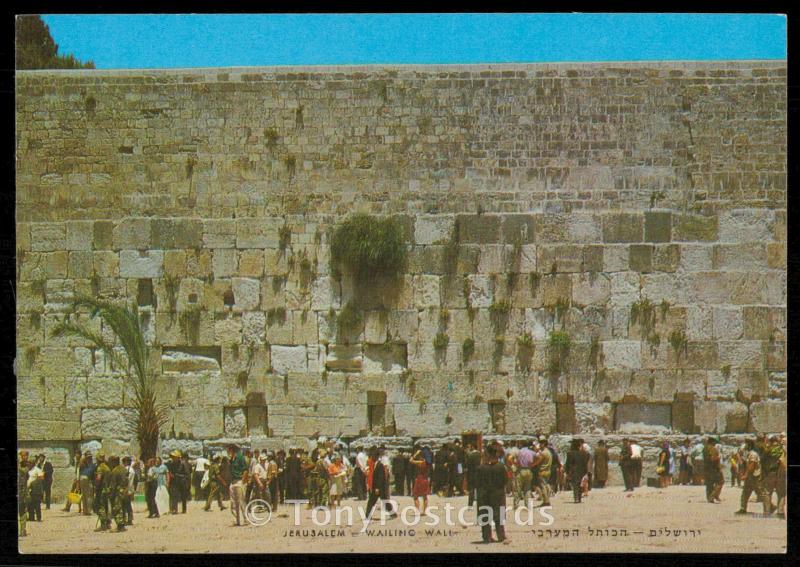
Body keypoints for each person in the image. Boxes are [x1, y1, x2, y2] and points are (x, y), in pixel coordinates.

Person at [476, 445, 507, 543]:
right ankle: (501, 536)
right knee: (499, 516)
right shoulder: (501, 467)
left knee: (485, 515)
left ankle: (486, 537)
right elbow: (505, 480)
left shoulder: (480, 468)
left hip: (484, 495)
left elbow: (476, 482)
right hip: (498, 494)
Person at [736, 438, 771, 516]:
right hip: (751, 476)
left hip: (755, 476)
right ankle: (743, 508)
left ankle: (767, 510)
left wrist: (746, 475)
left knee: (761, 493)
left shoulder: (753, 454)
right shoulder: (748, 453)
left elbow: (752, 465)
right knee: (745, 492)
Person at [365, 447, 394, 519]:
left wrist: (377, 488)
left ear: (377, 456)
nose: (372, 457)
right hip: (376, 487)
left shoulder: (380, 465)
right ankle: (393, 514)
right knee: (378, 501)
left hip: (379, 487)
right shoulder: (375, 465)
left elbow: (380, 478)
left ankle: (368, 515)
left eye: (373, 456)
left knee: (374, 501)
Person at [762, 435, 786, 519]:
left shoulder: (767, 450)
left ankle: (767, 512)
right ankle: (780, 512)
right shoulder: (781, 449)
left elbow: (763, 462)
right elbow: (783, 460)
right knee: (781, 493)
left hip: (769, 473)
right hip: (780, 473)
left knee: (767, 492)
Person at [228, 444, 248, 526]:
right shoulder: (232, 459)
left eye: (229, 450)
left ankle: (245, 519)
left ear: (233, 450)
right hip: (233, 482)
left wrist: (242, 481)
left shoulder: (240, 458)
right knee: (233, 502)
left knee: (241, 501)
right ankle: (236, 520)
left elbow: (245, 470)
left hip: (239, 481)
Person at [565, 438, 589, 503]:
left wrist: (567, 472)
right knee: (580, 484)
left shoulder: (570, 453)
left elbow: (568, 463)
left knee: (575, 485)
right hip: (582, 471)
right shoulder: (584, 453)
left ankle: (576, 498)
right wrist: (586, 472)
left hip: (574, 471)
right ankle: (579, 498)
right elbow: (585, 463)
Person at [108, 456, 128, 532]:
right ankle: (123, 523)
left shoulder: (115, 471)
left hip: (117, 492)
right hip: (124, 491)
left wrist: (111, 494)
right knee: (123, 508)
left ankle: (120, 526)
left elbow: (113, 484)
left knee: (117, 509)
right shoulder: (124, 469)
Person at [94, 452, 112, 531]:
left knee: (100, 507)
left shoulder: (100, 468)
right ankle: (108, 523)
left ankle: (103, 524)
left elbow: (98, 478)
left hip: (101, 490)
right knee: (106, 507)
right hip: (107, 490)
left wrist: (96, 486)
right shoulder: (107, 467)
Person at [410, 449, 431, 515]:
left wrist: (415, 454)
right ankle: (424, 511)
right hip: (425, 479)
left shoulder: (420, 462)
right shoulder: (427, 463)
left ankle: (417, 510)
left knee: (415, 496)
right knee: (425, 496)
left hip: (419, 479)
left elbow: (411, 460)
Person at [703, 437, 723, 503]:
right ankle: (713, 495)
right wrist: (718, 457)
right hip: (714, 468)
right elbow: (713, 459)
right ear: (712, 442)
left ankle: (709, 498)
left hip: (706, 468)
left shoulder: (705, 448)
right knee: (720, 481)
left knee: (709, 484)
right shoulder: (713, 448)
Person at [533, 438, 553, 506]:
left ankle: (546, 501)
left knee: (542, 486)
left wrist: (531, 465)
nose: (540, 445)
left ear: (543, 444)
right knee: (546, 485)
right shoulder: (548, 452)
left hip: (542, 471)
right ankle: (547, 499)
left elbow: (538, 461)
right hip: (548, 470)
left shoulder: (543, 453)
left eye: (541, 443)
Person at [62, 449, 83, 513]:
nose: (76, 455)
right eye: (76, 454)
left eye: (77, 454)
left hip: (78, 480)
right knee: (75, 493)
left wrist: (77, 481)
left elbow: (79, 471)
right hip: (77, 479)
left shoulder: (80, 462)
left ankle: (72, 507)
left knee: (77, 493)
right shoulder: (77, 461)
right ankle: (68, 507)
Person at [27, 456, 44, 522]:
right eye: (28, 463)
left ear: (33, 463)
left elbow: (41, 478)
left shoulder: (37, 470)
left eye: (30, 463)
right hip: (29, 490)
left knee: (37, 504)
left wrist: (34, 483)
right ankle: (31, 517)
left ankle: (38, 518)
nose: (28, 464)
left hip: (36, 490)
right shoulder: (27, 470)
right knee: (30, 504)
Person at [78, 452, 96, 516]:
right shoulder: (93, 465)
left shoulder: (82, 464)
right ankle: (89, 510)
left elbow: (79, 473)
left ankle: (85, 511)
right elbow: (94, 474)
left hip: (81, 478)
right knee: (89, 496)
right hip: (87, 479)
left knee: (84, 495)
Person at [18, 451, 30, 537]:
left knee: (22, 511)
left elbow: (25, 473)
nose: (24, 457)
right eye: (22, 456)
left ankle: (22, 530)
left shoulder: (25, 466)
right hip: (21, 491)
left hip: (22, 492)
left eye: (25, 456)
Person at [122, 457, 136, 525]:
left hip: (126, 489)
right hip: (130, 489)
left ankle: (126, 519)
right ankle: (129, 519)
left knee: (125, 505)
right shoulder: (132, 470)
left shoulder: (127, 470)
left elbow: (126, 480)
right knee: (128, 505)